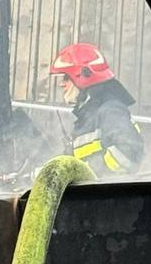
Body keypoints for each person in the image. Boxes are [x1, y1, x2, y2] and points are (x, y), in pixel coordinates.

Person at [49, 42, 143, 176]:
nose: (61, 84)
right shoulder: (88, 114)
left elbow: (129, 151)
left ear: (83, 76)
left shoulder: (110, 110)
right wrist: (43, 174)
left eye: (66, 78)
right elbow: (72, 161)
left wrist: (88, 175)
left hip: (109, 196)